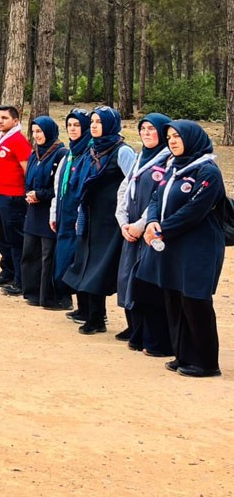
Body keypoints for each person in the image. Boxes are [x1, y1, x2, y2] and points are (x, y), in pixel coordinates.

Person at [143, 121, 225, 378]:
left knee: (195, 300)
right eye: (169, 137)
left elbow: (195, 210)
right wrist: (152, 221)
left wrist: (162, 228)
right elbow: (156, 197)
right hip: (173, 243)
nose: (172, 141)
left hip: (199, 246)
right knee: (174, 298)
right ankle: (184, 355)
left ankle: (206, 363)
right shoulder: (173, 166)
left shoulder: (207, 171)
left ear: (192, 138)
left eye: (177, 136)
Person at [62, 106, 136, 335]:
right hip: (90, 218)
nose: (94, 126)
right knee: (86, 265)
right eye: (92, 121)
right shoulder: (92, 148)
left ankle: (121, 323)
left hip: (111, 223)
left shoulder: (122, 151)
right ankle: (93, 315)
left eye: (99, 122)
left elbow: (134, 184)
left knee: (105, 269)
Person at [116, 113, 173, 355]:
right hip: (130, 230)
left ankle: (150, 336)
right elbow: (125, 189)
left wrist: (141, 225)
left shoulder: (168, 159)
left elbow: (158, 199)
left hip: (149, 232)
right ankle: (135, 330)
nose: (146, 133)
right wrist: (123, 221)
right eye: (143, 129)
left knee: (145, 283)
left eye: (152, 129)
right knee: (127, 280)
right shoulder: (140, 157)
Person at [20, 117, 66, 307]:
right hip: (33, 210)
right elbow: (28, 179)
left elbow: (59, 186)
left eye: (40, 131)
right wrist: (29, 194)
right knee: (30, 252)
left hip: (49, 211)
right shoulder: (35, 153)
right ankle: (32, 292)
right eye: (34, 132)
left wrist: (40, 195)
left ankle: (50, 296)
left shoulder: (61, 154)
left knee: (48, 255)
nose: (36, 136)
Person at [0, 105, 32, 294]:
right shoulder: (1, 137)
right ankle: (8, 270)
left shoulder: (18, 140)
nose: (0, 121)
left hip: (13, 197)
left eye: (4, 118)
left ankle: (21, 280)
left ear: (15, 120)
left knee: (15, 238)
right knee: (1, 235)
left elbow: (27, 169)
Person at [49, 109, 91, 314]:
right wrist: (53, 213)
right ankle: (71, 301)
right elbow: (58, 186)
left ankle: (88, 309)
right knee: (64, 260)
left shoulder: (89, 153)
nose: (72, 129)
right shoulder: (70, 153)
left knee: (79, 262)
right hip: (64, 215)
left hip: (78, 217)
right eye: (69, 126)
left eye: (77, 125)